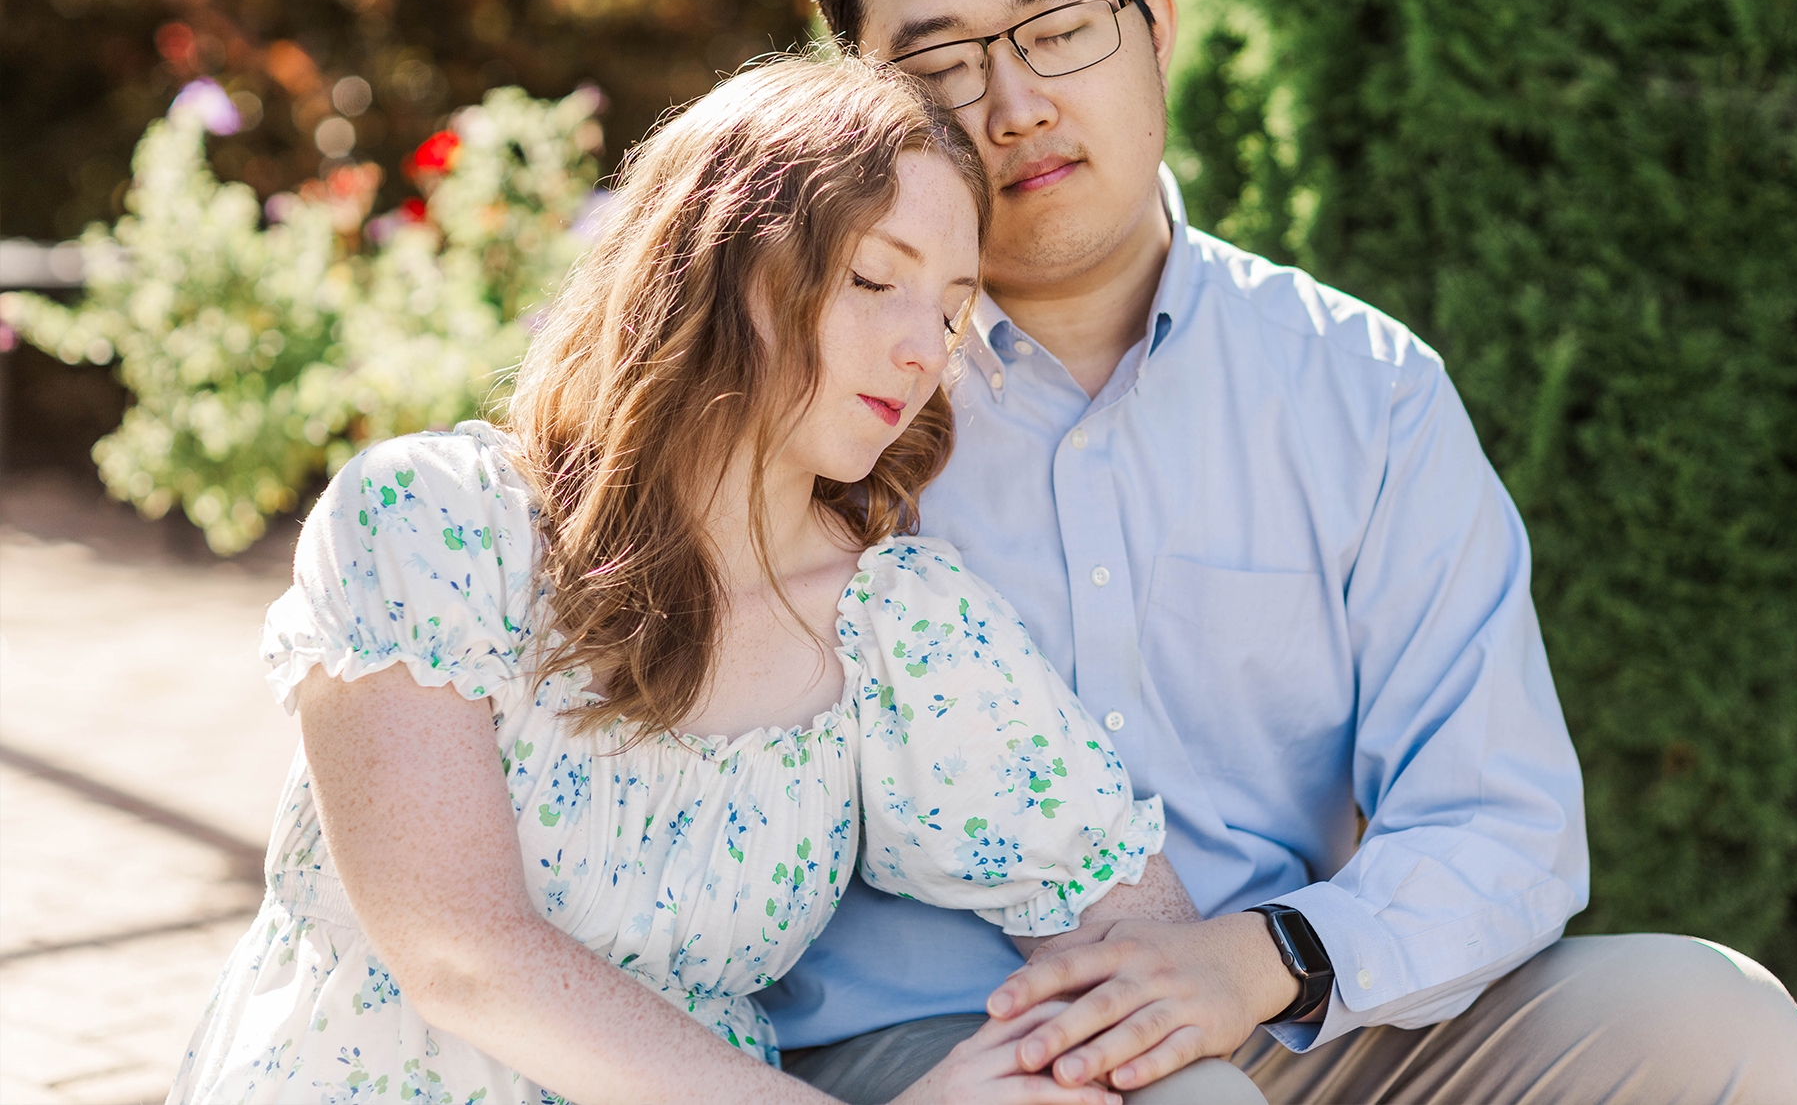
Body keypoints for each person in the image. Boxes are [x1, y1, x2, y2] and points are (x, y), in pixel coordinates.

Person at [766, 0, 1797, 1105]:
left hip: (1287, 1008)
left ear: (1153, 29)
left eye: (1056, 29)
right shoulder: (811, 394)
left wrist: (1265, 956)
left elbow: (1503, 823)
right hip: (945, 1041)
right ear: (856, 105)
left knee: (1705, 1019)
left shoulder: (1360, 386)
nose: (1013, 105)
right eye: (938, 67)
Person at [170, 56, 1201, 1105]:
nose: (917, 350)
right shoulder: (433, 524)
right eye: (874, 279)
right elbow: (460, 954)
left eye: (949, 311)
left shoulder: (895, 625)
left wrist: (1125, 1053)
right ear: (715, 258)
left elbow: (1124, 908)